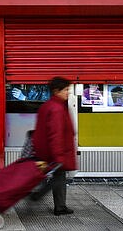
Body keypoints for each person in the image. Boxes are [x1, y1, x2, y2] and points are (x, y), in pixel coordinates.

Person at [32, 76, 77, 216]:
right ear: (56, 91)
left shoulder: (48, 105)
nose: (68, 92)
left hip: (47, 150)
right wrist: (58, 155)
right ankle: (55, 204)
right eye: (66, 90)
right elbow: (55, 134)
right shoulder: (57, 108)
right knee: (58, 177)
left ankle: (59, 205)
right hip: (56, 152)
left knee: (58, 177)